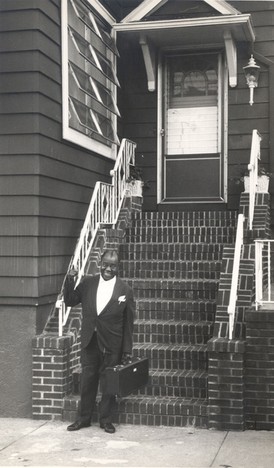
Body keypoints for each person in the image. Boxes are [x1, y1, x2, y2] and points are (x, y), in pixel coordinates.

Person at [64, 249, 134, 434]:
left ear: (117, 267)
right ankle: (84, 418)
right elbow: (70, 300)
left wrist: (127, 350)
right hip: (90, 341)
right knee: (88, 380)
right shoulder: (88, 283)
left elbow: (128, 324)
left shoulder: (125, 290)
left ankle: (106, 420)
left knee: (110, 382)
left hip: (112, 344)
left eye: (112, 265)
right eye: (105, 264)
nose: (108, 268)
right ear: (99, 263)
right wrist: (70, 279)